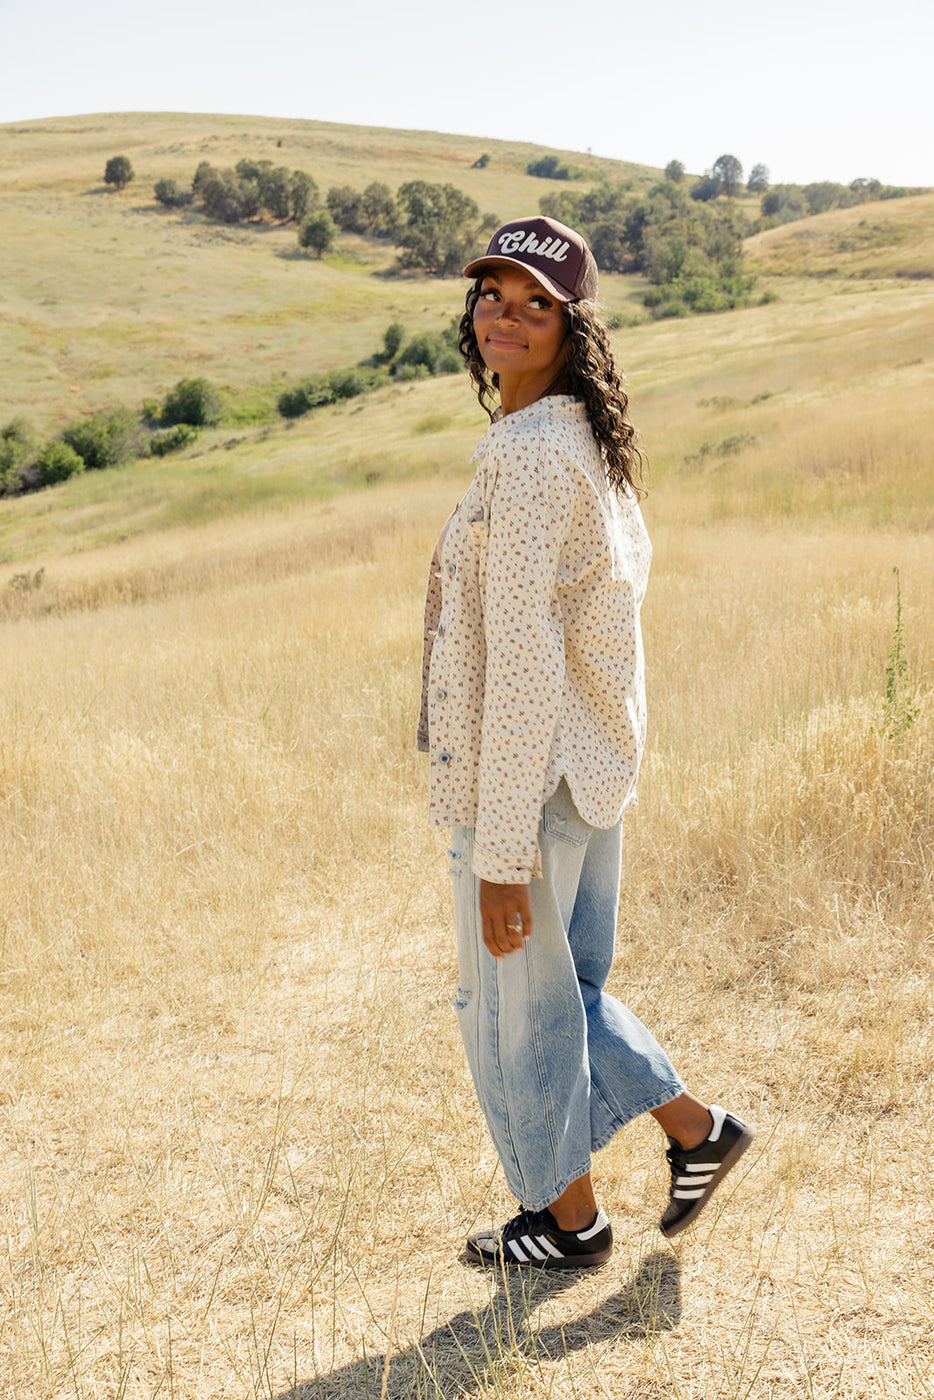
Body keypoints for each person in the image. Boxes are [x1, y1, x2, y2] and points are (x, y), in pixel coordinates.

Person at [417, 216, 753, 1269]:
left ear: (573, 327)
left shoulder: (529, 455)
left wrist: (502, 854)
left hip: (531, 782)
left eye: (535, 303)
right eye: (492, 295)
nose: (505, 316)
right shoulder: (578, 443)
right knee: (562, 994)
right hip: (584, 771)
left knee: (511, 1010)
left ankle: (570, 1222)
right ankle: (687, 1138)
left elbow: (523, 662)